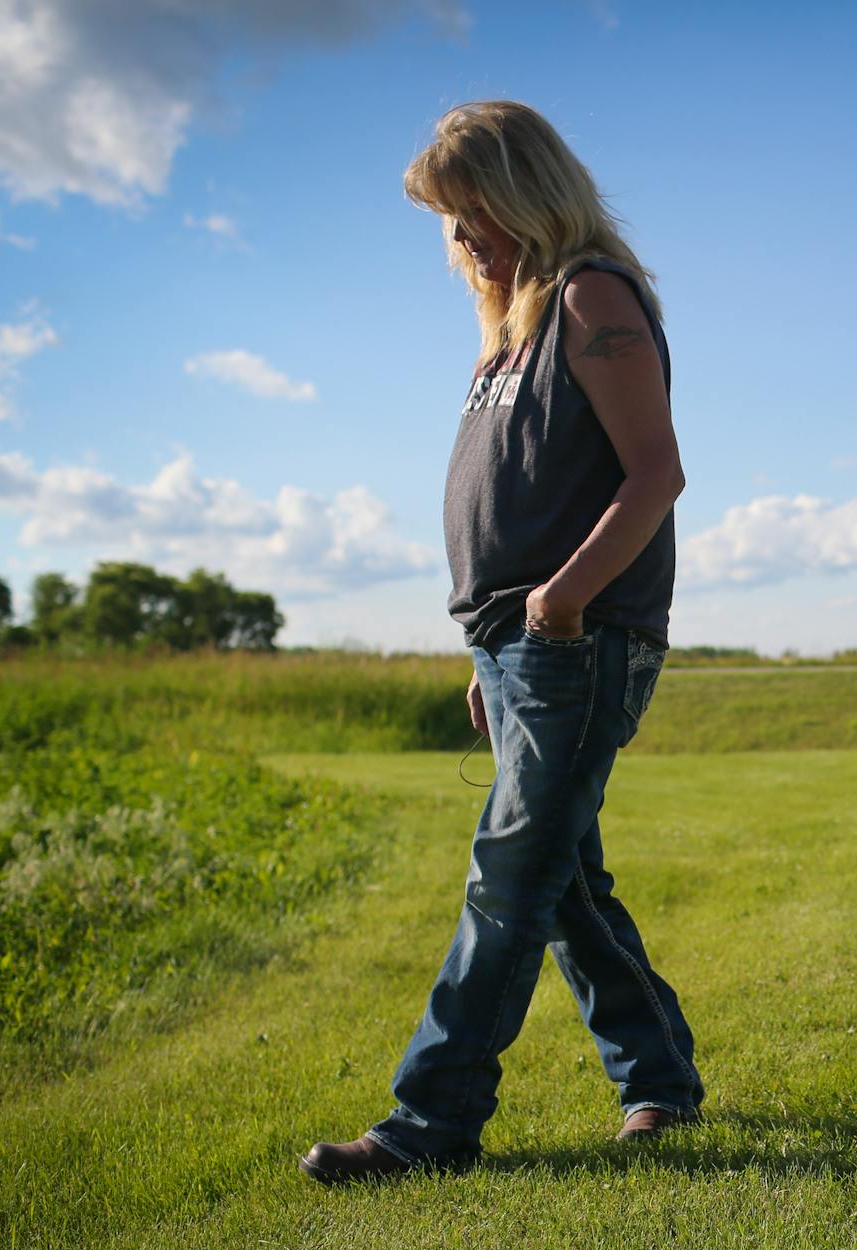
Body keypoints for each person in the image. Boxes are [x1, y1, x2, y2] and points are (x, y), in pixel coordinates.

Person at [303, 100, 704, 1183]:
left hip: (575, 641)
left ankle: (429, 1126)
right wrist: (490, 648)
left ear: (523, 192)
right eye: (449, 220)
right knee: (563, 883)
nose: (462, 237)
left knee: (511, 879)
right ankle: (661, 1077)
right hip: (518, 649)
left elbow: (654, 474)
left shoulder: (591, 295)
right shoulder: (509, 333)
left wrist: (560, 605)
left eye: (471, 210)